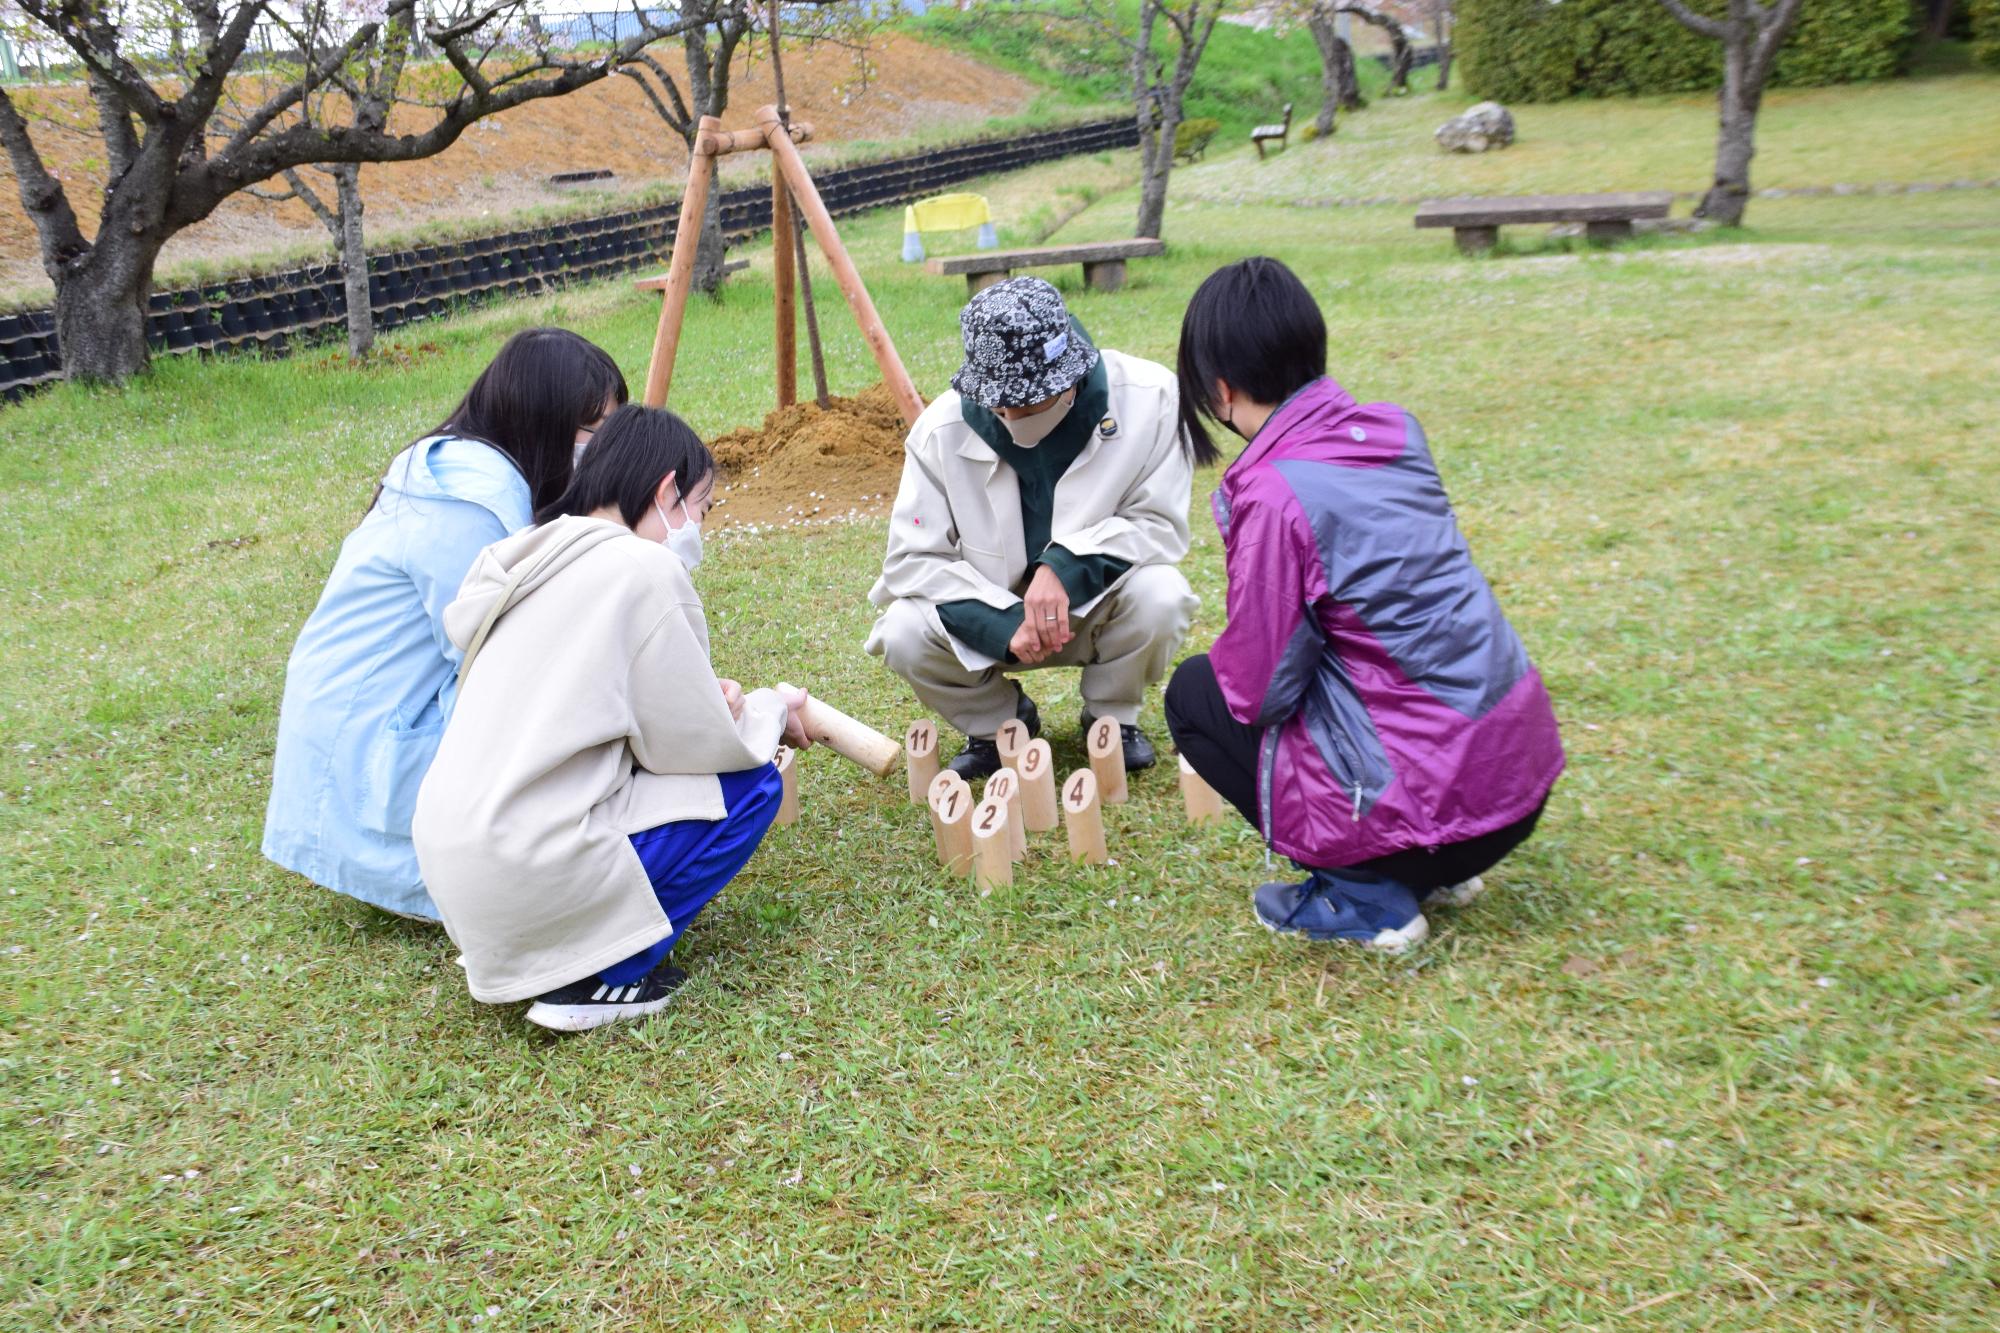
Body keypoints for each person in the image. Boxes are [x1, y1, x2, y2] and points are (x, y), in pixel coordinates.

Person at [1165, 257, 1564, 953]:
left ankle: (1369, 895)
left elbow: (1257, 689)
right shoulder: (1396, 431)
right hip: (1519, 784)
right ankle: (1429, 867)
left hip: (1442, 816)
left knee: (1196, 694)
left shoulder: (1274, 493)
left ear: (1221, 390)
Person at [412, 405, 812, 1032]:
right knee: (754, 786)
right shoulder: (644, 567)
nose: (698, 529)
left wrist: (710, 702)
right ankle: (607, 976)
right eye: (702, 509)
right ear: (666, 492)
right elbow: (691, 751)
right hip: (528, 863)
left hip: (451, 864)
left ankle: (556, 948)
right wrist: (764, 713)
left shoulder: (524, 559)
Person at [262, 328, 628, 921]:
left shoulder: (479, 476)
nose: (600, 449)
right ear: (544, 420)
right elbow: (501, 664)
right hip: (367, 749)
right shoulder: (466, 506)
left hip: (373, 722)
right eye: (595, 431)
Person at [866, 277, 1207, 781]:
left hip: (1094, 610)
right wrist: (1002, 622)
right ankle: (1000, 726)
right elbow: (912, 561)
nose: (1007, 415)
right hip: (993, 619)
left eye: (1024, 404)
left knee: (1163, 594)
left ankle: (1110, 718)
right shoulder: (940, 431)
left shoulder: (1152, 399)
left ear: (1070, 377)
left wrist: (1065, 569)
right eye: (995, 402)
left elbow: (1157, 524)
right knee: (902, 633)